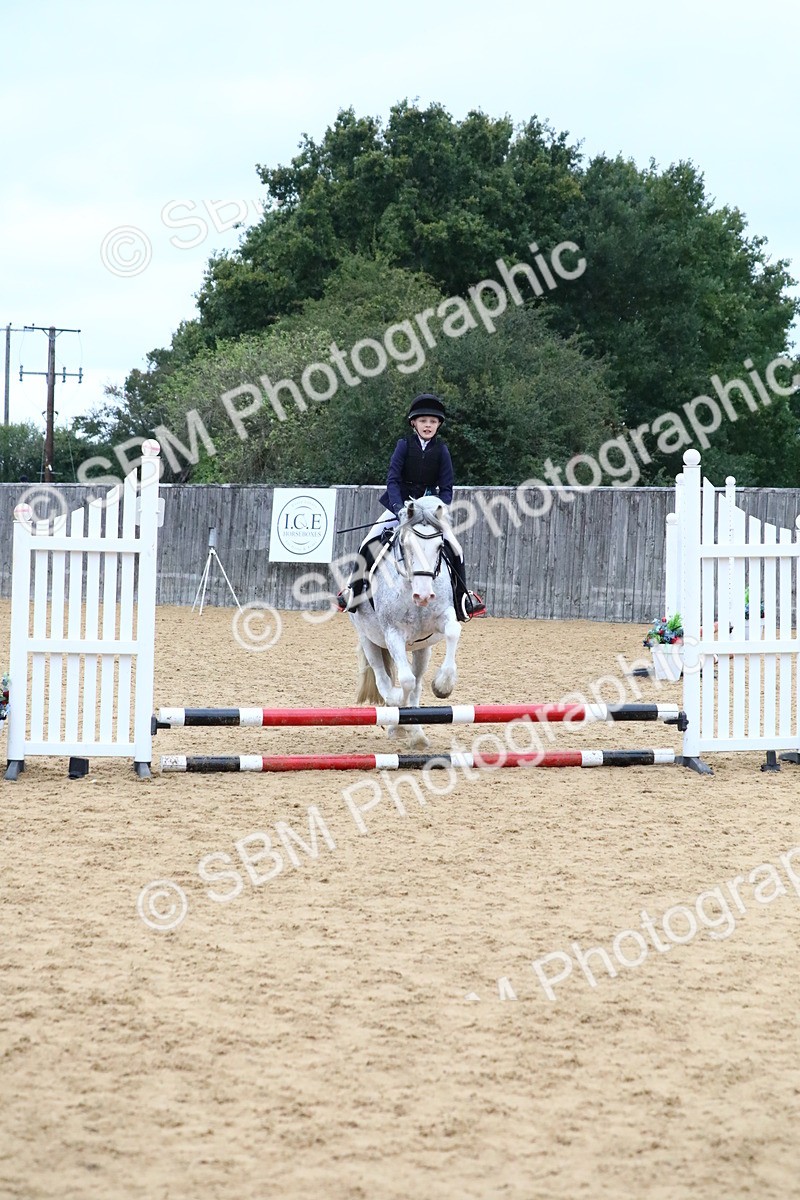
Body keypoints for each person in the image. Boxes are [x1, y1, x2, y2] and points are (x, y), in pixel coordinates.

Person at [337, 394, 486, 620]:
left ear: (438, 425)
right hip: (400, 508)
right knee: (368, 542)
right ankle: (353, 592)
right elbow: (392, 480)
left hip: (430, 511)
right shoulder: (404, 446)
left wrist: (439, 511)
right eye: (423, 420)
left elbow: (446, 488)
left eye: (433, 421)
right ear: (414, 423)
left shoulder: (442, 450)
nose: (428, 425)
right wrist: (398, 508)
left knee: (456, 548)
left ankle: (462, 599)